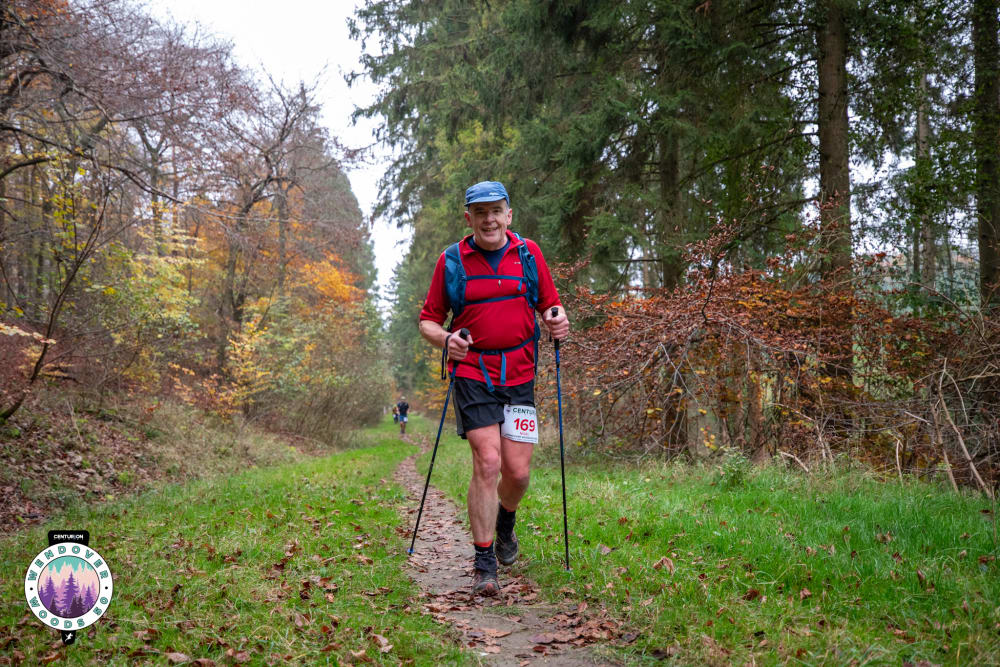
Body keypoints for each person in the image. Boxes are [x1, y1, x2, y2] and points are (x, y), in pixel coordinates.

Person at [418, 181, 569, 596]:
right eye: (480, 212)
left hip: (519, 375)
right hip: (473, 374)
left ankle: (506, 522)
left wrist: (557, 320)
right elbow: (428, 321)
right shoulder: (451, 260)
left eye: (496, 211)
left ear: (509, 215)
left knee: (517, 473)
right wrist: (447, 340)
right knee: (487, 461)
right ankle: (484, 563)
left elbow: (551, 306)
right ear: (468, 218)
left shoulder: (528, 254)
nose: (489, 220)